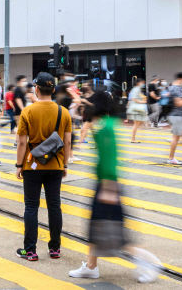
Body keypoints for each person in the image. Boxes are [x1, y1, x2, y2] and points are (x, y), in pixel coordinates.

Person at [68, 90, 161, 283]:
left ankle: (149, 263)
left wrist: (108, 188)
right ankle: (91, 267)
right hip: (103, 184)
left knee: (117, 235)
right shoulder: (103, 124)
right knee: (95, 227)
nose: (87, 106)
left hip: (108, 186)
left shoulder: (106, 127)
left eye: (90, 103)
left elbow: (110, 159)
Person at [15, 72, 72, 261]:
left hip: (32, 165)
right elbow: (67, 142)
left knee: (31, 206)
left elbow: (22, 143)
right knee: (54, 205)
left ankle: (30, 250)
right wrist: (64, 165)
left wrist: (18, 165)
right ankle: (54, 248)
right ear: (53, 89)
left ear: (36, 89)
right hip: (55, 164)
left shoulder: (27, 112)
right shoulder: (63, 112)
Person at [166, 73, 182, 165]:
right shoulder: (177, 88)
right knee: (175, 138)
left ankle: (171, 157)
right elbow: (178, 103)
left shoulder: (171, 87)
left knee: (176, 136)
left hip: (172, 114)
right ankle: (171, 158)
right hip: (176, 115)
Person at [127, 79, 147, 143]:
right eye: (142, 82)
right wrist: (143, 101)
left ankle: (133, 138)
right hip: (136, 109)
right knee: (136, 124)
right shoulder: (137, 89)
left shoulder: (135, 89)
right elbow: (134, 99)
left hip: (136, 109)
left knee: (137, 124)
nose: (143, 84)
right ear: (138, 83)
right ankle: (133, 139)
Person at [78, 81, 95, 146]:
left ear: (90, 87)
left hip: (91, 114)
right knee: (89, 129)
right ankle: (82, 140)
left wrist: (86, 102)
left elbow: (94, 105)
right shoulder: (83, 94)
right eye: (84, 85)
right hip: (85, 113)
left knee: (85, 128)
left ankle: (79, 143)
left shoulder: (93, 94)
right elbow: (83, 104)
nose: (84, 86)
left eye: (86, 85)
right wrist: (81, 104)